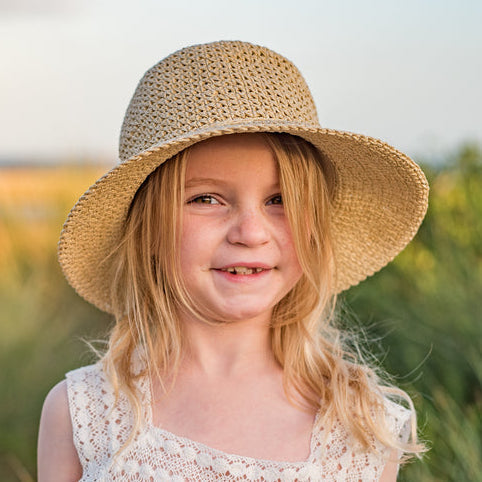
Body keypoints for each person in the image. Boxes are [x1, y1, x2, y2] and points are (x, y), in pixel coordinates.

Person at [37, 40, 428, 481]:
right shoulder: (85, 413)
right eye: (206, 199)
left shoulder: (361, 425)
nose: (251, 232)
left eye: (280, 200)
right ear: (149, 230)